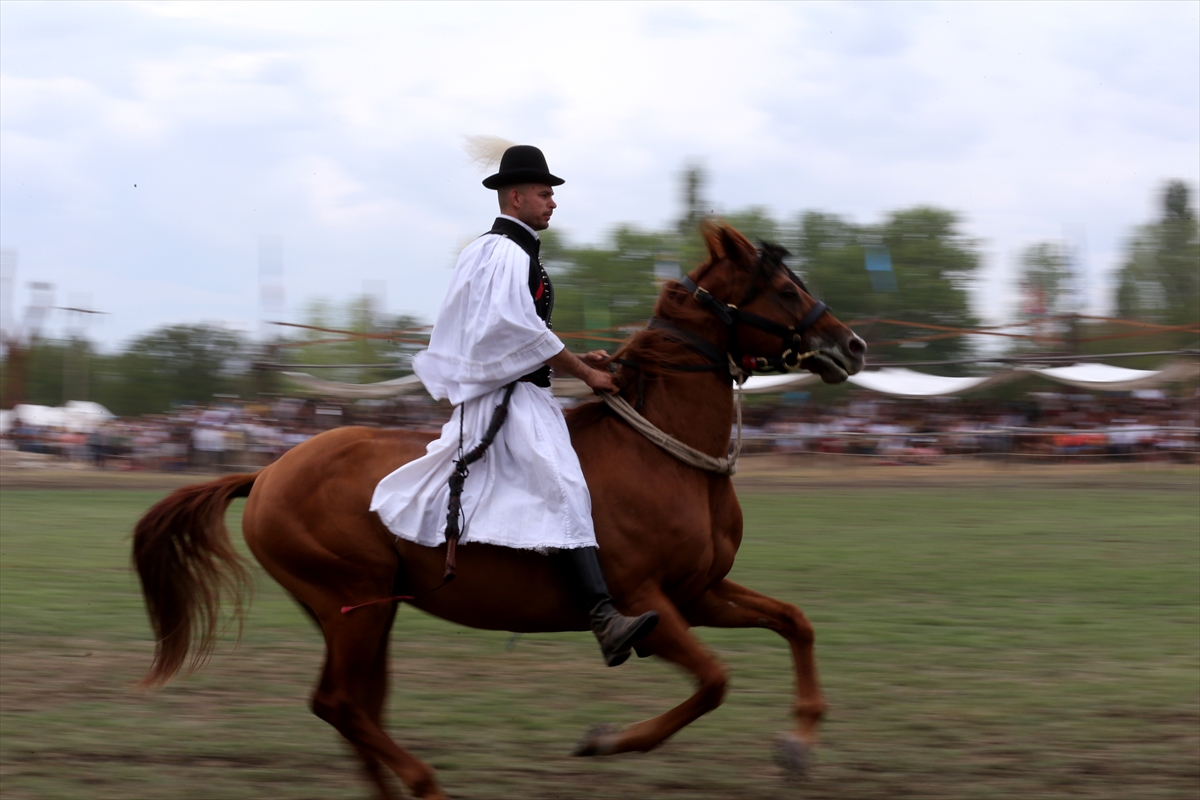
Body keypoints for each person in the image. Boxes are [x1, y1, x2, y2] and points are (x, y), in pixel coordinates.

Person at [371, 144, 658, 666]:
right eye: (546, 194)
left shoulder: (501, 250)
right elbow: (515, 328)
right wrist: (586, 372)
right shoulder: (505, 252)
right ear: (517, 195)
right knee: (565, 484)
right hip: (511, 399)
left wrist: (571, 353)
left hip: (519, 389)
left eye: (552, 195)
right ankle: (603, 617)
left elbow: (517, 330)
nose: (553, 203)